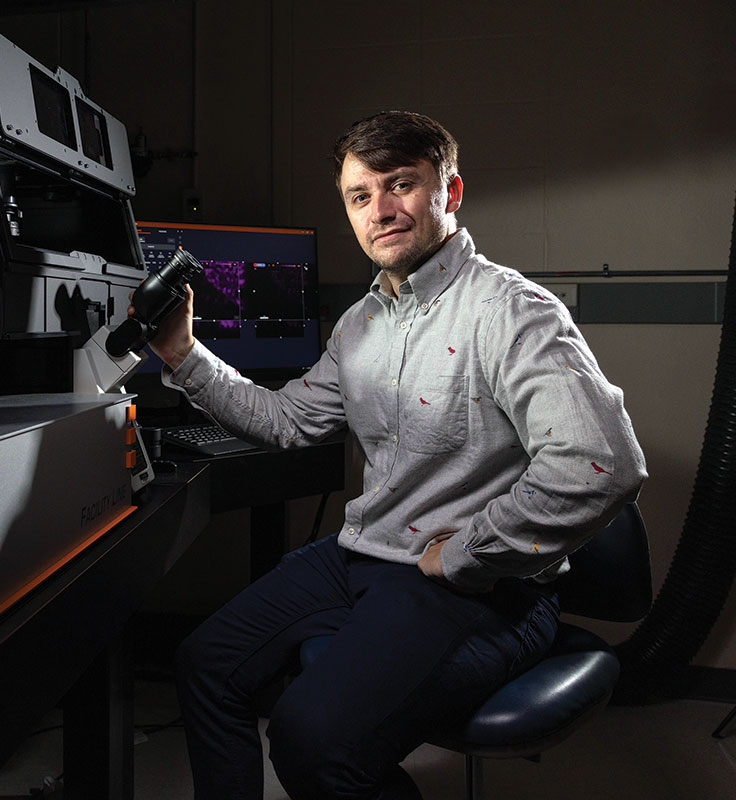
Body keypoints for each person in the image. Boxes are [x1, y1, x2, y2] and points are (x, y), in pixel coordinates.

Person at [143, 111, 647, 799]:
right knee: (205, 665)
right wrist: (181, 353)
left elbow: (603, 464)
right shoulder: (360, 325)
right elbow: (288, 420)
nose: (380, 210)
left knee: (310, 740)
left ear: (450, 192)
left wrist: (473, 549)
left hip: (482, 588)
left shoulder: (510, 311)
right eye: (359, 195)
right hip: (364, 554)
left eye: (400, 184)